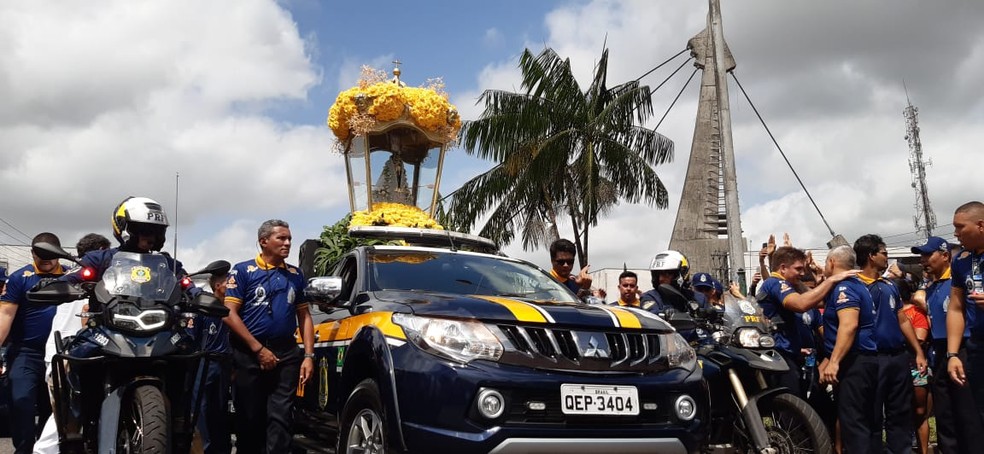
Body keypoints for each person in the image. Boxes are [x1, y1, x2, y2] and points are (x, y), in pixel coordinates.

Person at [223, 219, 314, 453]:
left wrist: (308, 356)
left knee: (281, 417)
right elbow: (228, 314)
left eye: (289, 239)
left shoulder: (296, 274)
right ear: (263, 241)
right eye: (281, 238)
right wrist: (258, 350)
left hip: (286, 353)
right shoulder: (243, 271)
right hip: (248, 353)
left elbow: (304, 316)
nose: (287, 243)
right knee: (250, 418)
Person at [33, 233, 111, 454]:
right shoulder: (75, 281)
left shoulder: (111, 285)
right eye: (103, 255)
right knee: (67, 420)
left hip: (97, 352)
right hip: (68, 356)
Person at [854, 234, 927, 453]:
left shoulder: (890, 285)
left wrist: (917, 352)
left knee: (900, 413)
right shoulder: (853, 286)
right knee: (873, 415)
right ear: (871, 255)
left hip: (898, 358)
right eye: (884, 253)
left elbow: (902, 319)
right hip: (871, 359)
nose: (887, 258)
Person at [756, 246, 857, 396]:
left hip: (794, 355)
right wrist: (832, 280)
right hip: (779, 356)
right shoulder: (774, 283)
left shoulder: (791, 285)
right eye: (798, 269)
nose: (802, 274)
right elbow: (801, 304)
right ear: (783, 268)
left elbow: (818, 300)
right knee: (791, 405)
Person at [915, 235, 983, 453]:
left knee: (968, 414)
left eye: (928, 254)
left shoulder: (960, 280)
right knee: (945, 414)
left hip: (964, 348)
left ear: (945, 255)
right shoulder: (931, 287)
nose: (923, 260)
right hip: (939, 352)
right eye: (921, 256)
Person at [0, 233, 66, 454]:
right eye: (40, 254)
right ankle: (24, 449)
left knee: (55, 409)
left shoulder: (71, 277)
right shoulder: (20, 278)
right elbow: (5, 315)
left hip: (61, 354)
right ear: (32, 253)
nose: (45, 259)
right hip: (26, 353)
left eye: (50, 254)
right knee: (21, 402)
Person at [817, 245, 878, 454]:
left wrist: (834, 361)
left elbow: (849, 325)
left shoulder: (845, 288)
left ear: (832, 262)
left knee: (854, 424)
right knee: (864, 422)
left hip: (854, 362)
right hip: (863, 361)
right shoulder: (857, 285)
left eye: (826, 262)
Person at [946, 201, 984, 429]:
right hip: (978, 347)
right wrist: (952, 354)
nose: (956, 233)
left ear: (980, 225)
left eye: (960, 227)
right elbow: (956, 307)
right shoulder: (961, 260)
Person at [193, 270, 232, 454]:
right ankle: (203, 448)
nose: (232, 287)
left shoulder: (235, 309)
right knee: (201, 408)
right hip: (206, 361)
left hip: (225, 364)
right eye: (228, 283)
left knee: (220, 407)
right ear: (218, 286)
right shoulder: (205, 307)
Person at [897, 277, 932, 454]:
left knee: (919, 412)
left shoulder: (916, 311)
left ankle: (924, 450)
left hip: (915, 365)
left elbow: (920, 337)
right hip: (895, 365)